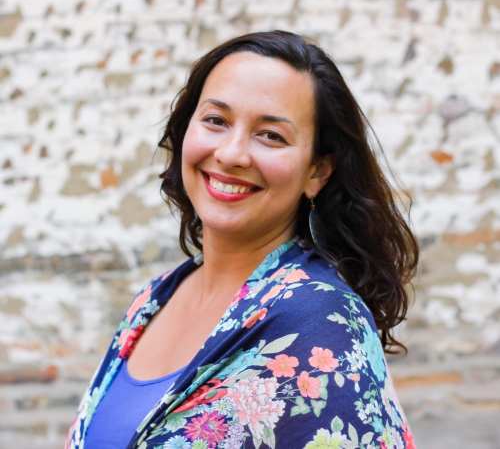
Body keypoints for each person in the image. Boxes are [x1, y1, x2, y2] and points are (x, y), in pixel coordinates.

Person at [65, 30, 419, 448]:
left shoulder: (321, 322)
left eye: (271, 135)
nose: (232, 154)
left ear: (317, 172)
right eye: (216, 120)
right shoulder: (152, 301)